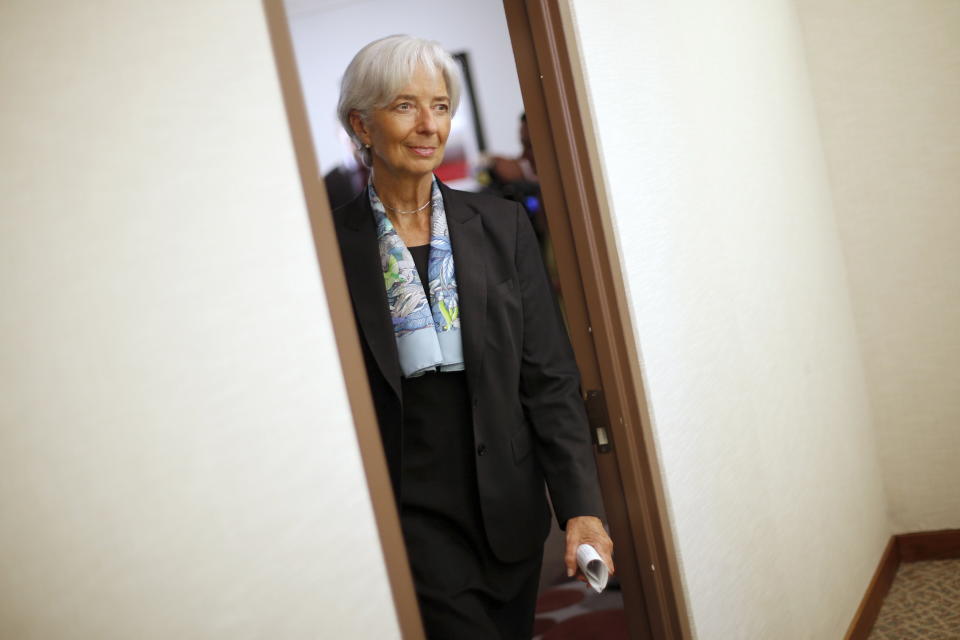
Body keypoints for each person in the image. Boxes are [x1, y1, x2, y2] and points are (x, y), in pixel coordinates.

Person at [331, 35, 613, 639]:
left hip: (507, 505)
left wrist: (581, 506)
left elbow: (549, 377)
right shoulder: (330, 247)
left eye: (439, 105)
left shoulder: (499, 224)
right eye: (405, 106)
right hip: (410, 512)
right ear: (362, 123)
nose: (428, 125)